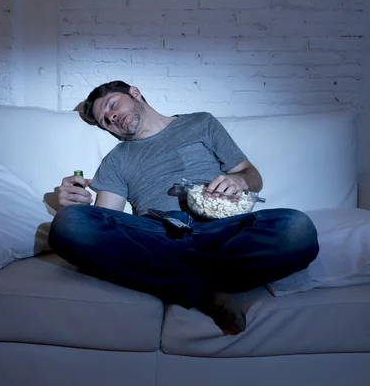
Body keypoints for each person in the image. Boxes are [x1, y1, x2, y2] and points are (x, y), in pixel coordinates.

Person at [48, 80, 319, 335]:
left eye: (112, 104)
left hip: (222, 229)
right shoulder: (116, 160)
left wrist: (238, 179)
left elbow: (252, 176)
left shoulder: (201, 123)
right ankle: (202, 290)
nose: (112, 117)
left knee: (297, 228)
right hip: (158, 232)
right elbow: (109, 218)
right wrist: (76, 204)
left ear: (134, 92)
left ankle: (182, 279)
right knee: (69, 223)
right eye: (105, 121)